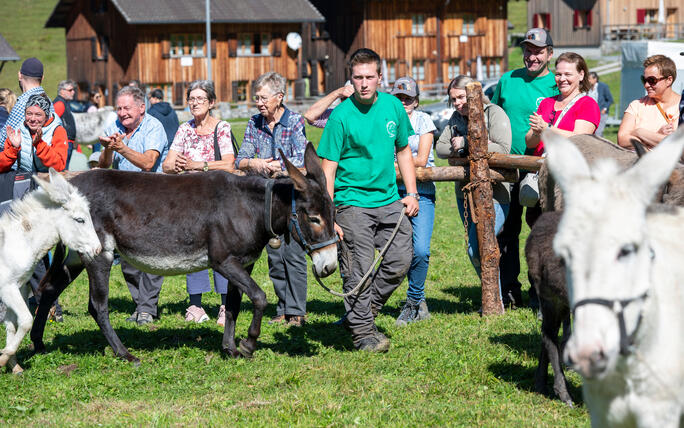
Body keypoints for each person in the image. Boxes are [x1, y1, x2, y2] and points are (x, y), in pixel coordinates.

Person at [317, 48, 419, 352]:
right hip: (351, 203)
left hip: (389, 200)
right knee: (357, 271)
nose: (363, 83)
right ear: (351, 78)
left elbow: (403, 151)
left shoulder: (393, 107)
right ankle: (363, 334)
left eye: (369, 77)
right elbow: (328, 169)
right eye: (358, 77)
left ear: (379, 78)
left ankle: (360, 313)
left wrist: (411, 193)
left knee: (401, 260)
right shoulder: (340, 116)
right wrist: (330, 214)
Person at [490, 28, 558, 309]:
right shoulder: (507, 80)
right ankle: (509, 290)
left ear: (549, 55)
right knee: (506, 230)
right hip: (507, 167)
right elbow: (492, 115)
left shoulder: (558, 83)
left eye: (538, 51)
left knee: (541, 230)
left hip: (543, 168)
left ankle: (541, 290)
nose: (532, 56)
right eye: (528, 50)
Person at [235, 72, 309, 327]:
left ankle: (297, 311)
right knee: (274, 256)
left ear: (280, 97)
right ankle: (282, 309)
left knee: (294, 254)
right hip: (265, 199)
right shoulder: (254, 123)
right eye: (256, 97)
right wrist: (253, 163)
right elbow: (240, 158)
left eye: (263, 97)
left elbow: (302, 160)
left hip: (290, 197)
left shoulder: (295, 122)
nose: (259, 102)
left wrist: (280, 167)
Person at [435, 75, 512, 309]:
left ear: (474, 94)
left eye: (461, 97)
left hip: (496, 192)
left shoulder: (494, 113)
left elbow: (503, 147)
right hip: (464, 194)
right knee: (476, 247)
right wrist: (458, 147)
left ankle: (494, 298)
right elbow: (441, 147)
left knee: (478, 246)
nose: (457, 103)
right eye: (453, 99)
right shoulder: (456, 118)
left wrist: (467, 144)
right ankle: (493, 297)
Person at [162, 80, 235, 326]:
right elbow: (167, 165)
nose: (194, 103)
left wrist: (198, 165)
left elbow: (228, 163)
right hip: (190, 201)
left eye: (200, 99)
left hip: (218, 200)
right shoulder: (184, 129)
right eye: (191, 99)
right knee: (194, 250)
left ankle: (225, 306)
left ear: (211, 103)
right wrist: (177, 165)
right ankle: (195, 305)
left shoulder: (221, 128)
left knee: (221, 252)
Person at [98, 85, 167, 325]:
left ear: (141, 108)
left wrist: (123, 148)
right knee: (128, 258)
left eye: (126, 108)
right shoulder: (114, 128)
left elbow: (148, 163)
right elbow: (104, 165)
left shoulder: (153, 126)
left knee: (150, 255)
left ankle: (147, 307)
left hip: (151, 199)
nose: (121, 113)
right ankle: (141, 305)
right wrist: (108, 149)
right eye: (118, 108)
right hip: (122, 201)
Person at [1, 92, 68, 321]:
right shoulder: (19, 128)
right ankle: (42, 302)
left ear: (46, 114)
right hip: (21, 195)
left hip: (45, 197)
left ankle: (47, 302)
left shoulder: (56, 131)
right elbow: (3, 164)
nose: (32, 118)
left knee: (36, 251)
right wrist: (12, 148)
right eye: (29, 113)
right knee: (25, 249)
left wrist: (39, 143)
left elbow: (58, 164)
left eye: (37, 114)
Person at [389, 76, 437, 326]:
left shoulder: (423, 120)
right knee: (399, 250)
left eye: (408, 98)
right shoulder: (386, 120)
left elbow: (421, 159)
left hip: (422, 190)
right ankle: (418, 300)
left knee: (420, 249)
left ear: (416, 101)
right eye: (399, 97)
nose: (403, 101)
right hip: (389, 192)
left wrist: (394, 163)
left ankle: (413, 301)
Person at [526, 52, 600, 156]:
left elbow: (580, 141)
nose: (562, 79)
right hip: (539, 168)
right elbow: (529, 143)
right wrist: (537, 133)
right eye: (558, 74)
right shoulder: (546, 103)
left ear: (581, 75)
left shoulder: (588, 104)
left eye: (568, 74)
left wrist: (546, 129)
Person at [618, 54, 681, 149]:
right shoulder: (636, 105)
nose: (646, 85)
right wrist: (657, 135)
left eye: (652, 80)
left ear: (669, 80)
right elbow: (622, 140)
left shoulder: (681, 106)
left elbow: (676, 143)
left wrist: (639, 132)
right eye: (644, 80)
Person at [0, 58, 56, 147]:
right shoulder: (48, 101)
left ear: (19, 75)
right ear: (42, 78)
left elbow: (3, 140)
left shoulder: (24, 102)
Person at [148, 88, 179, 164]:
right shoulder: (171, 110)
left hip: (158, 145)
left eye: (150, 98)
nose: (149, 100)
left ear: (155, 98)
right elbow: (177, 125)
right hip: (173, 143)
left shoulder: (151, 111)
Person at [53, 80, 79, 168]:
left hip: (67, 142)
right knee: (63, 171)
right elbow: (51, 123)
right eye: (70, 90)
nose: (73, 92)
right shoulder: (59, 104)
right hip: (64, 143)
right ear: (62, 91)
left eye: (73, 89)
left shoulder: (63, 102)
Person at [587, 72, 614, 137]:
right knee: (591, 132)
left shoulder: (603, 86)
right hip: (591, 114)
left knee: (598, 132)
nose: (588, 80)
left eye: (589, 79)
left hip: (601, 113)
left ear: (595, 79)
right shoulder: (587, 88)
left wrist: (605, 109)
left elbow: (610, 100)